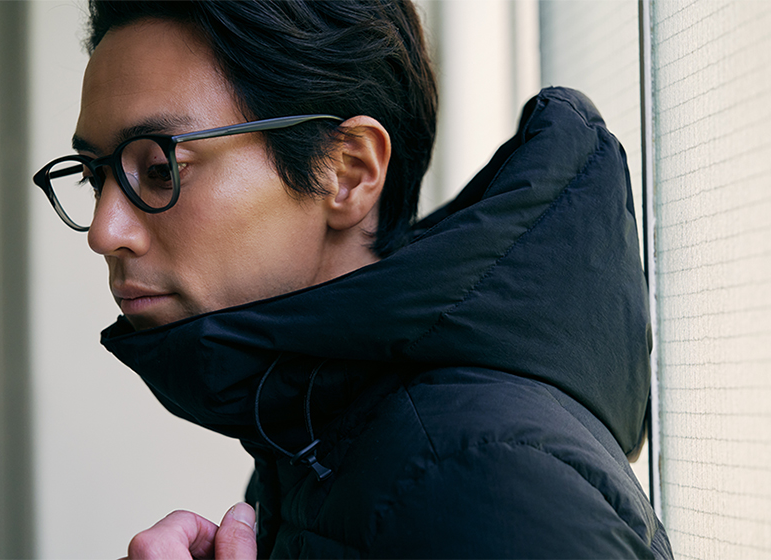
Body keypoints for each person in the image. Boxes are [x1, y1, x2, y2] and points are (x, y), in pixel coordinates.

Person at [33, 0, 673, 558]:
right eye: (94, 177)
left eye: (159, 168)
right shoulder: (316, 442)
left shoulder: (476, 481)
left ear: (347, 172)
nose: (103, 231)